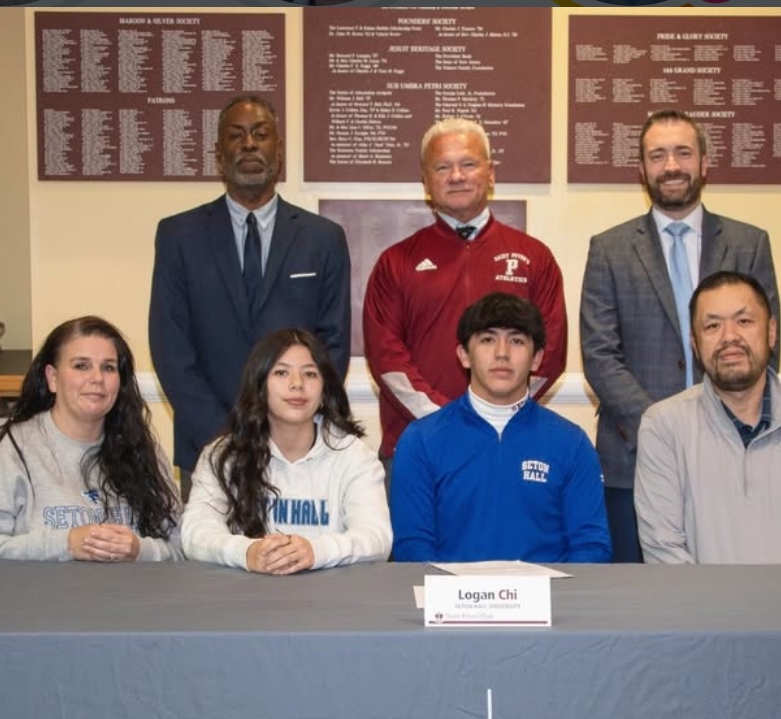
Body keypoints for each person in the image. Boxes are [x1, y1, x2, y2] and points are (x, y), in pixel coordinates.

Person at [580, 108, 781, 563]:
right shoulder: (609, 249)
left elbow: (765, 346)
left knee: (729, 595)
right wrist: (665, 430)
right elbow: (599, 355)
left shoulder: (750, 243)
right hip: (632, 458)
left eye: (683, 153)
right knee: (637, 603)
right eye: (658, 155)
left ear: (705, 162)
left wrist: (717, 430)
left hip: (735, 451)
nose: (671, 166)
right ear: (642, 169)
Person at [149, 93, 352, 496]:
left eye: (261, 134)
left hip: (297, 450)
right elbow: (171, 348)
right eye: (236, 135)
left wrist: (286, 433)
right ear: (218, 156)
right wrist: (223, 438)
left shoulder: (323, 239)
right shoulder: (178, 236)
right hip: (207, 449)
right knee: (208, 559)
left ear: (279, 152)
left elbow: (333, 346)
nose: (249, 144)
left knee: (295, 556)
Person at [363, 118, 567, 468]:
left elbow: (550, 351)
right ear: (427, 182)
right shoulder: (394, 262)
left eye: (468, 164)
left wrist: (496, 415)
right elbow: (387, 358)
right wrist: (447, 421)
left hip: (508, 444)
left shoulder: (535, 257)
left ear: (490, 174)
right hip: (419, 446)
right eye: (442, 167)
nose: (456, 176)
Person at [635, 271, 781, 564]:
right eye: (712, 326)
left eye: (744, 321)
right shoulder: (663, 427)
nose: (729, 337)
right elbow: (663, 549)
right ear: (695, 343)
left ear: (771, 332)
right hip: (704, 608)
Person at [390, 293, 610, 564]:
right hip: (454, 603)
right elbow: (413, 548)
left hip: (548, 602)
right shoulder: (421, 441)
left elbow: (591, 546)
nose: (502, 353)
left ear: (537, 359)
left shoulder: (571, 443)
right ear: (464, 355)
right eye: (487, 340)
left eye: (517, 341)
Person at [0, 316, 181, 562]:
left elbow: (181, 547)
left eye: (108, 367)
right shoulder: (8, 450)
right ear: (52, 378)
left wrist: (140, 550)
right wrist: (66, 544)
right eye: (81, 366)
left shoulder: (142, 449)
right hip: (38, 598)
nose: (97, 378)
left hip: (128, 597)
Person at [181, 328, 390, 573]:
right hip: (243, 601)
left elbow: (377, 538)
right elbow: (195, 533)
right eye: (281, 372)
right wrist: (247, 552)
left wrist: (316, 551)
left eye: (310, 374)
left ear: (324, 389)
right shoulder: (223, 455)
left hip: (330, 603)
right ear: (260, 385)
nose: (297, 384)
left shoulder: (354, 456)